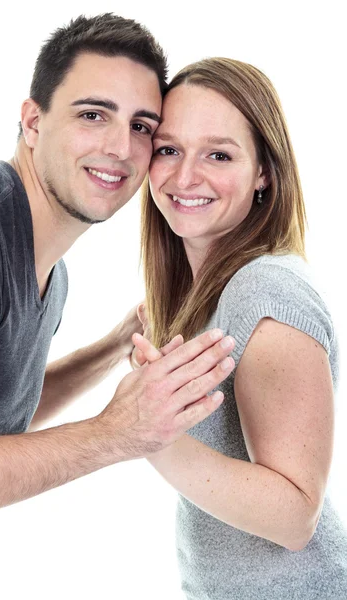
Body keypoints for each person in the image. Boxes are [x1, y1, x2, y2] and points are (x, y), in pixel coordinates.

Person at [0, 15, 236, 577]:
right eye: (93, 115)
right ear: (33, 121)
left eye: (142, 127)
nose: (120, 147)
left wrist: (113, 347)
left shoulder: (46, 265)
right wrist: (115, 434)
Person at [134, 57, 347, 598]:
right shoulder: (210, 294)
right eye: (169, 149)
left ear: (263, 173)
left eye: (219, 154)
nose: (185, 176)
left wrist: (144, 434)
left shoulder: (265, 290)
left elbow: (295, 515)